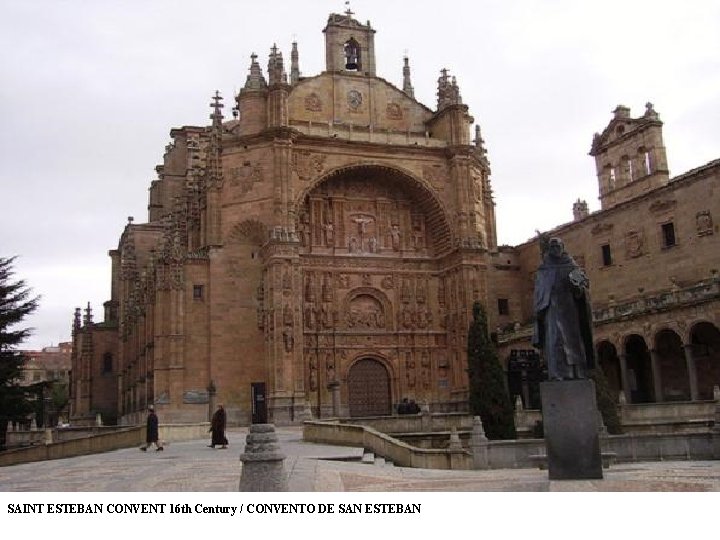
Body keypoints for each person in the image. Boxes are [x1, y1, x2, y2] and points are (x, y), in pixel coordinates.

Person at [532, 236, 595, 380]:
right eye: (552, 247)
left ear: (563, 247)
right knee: (555, 341)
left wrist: (577, 288)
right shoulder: (543, 269)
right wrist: (539, 310)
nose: (555, 249)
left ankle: (577, 372)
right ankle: (557, 374)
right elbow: (539, 292)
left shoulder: (572, 266)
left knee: (573, 341)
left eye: (558, 246)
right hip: (551, 308)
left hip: (569, 308)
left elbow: (583, 288)